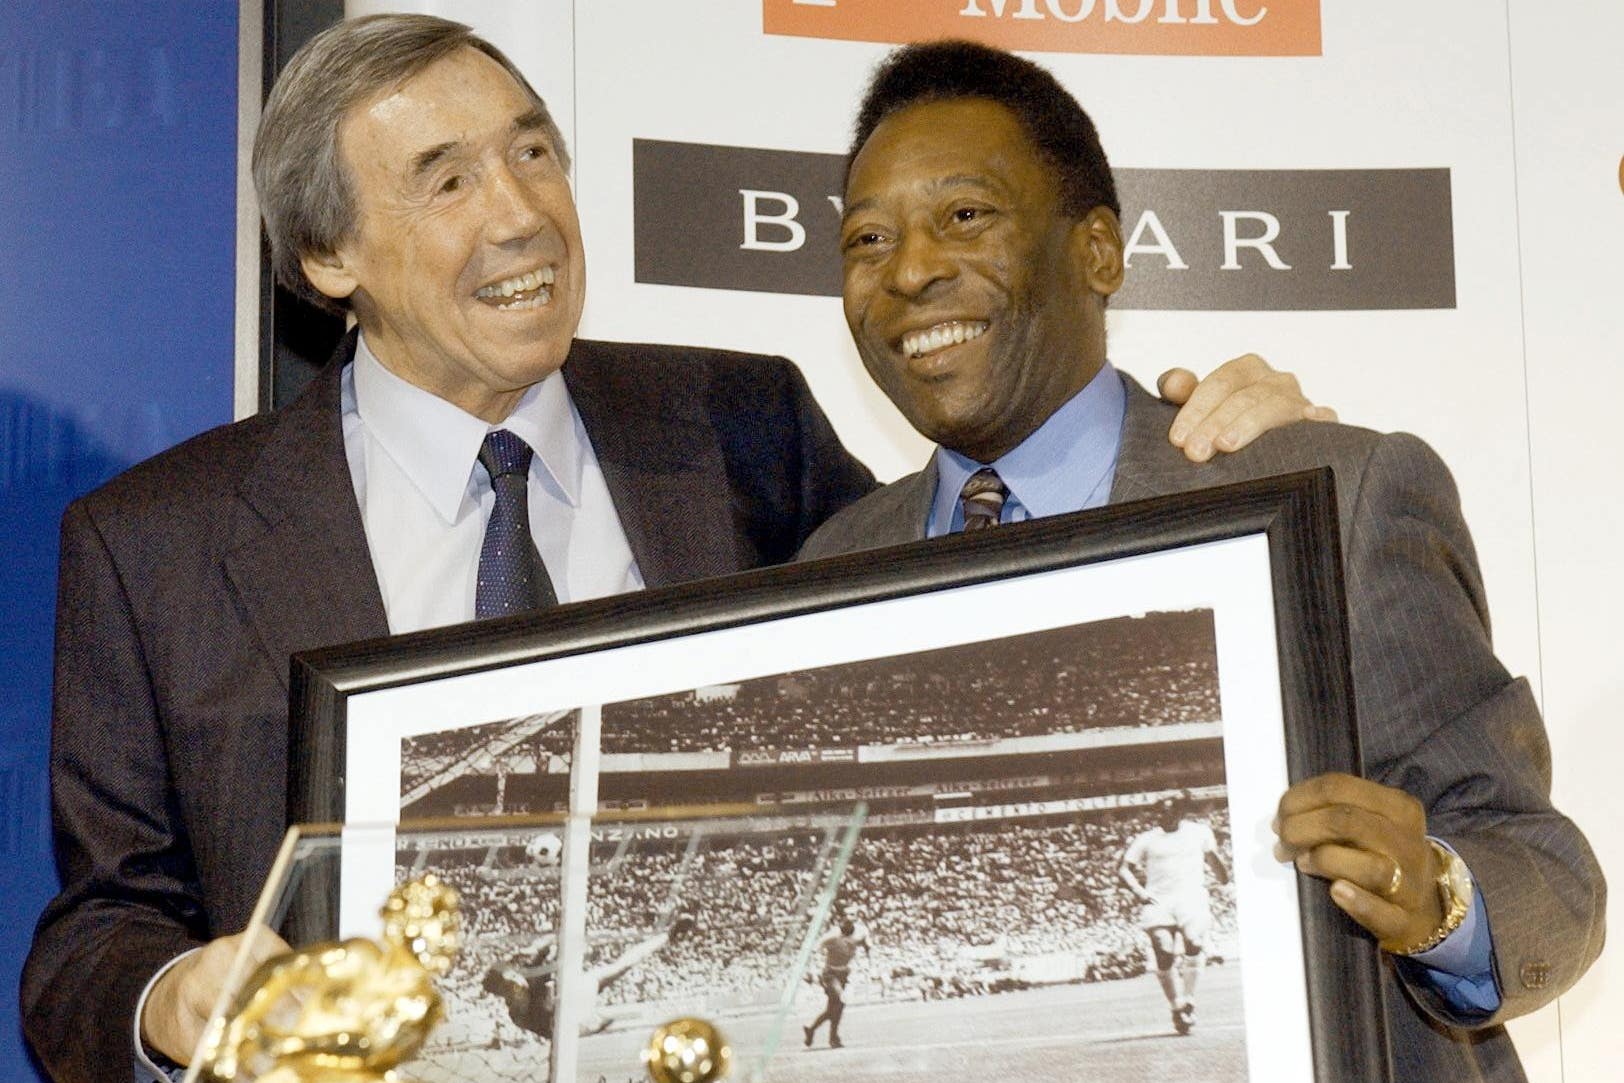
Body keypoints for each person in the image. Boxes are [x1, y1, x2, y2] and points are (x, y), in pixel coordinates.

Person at [18, 16, 1328, 1083]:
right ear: (326, 251)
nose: (525, 212)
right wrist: (172, 996)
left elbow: (1002, 557)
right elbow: (92, 933)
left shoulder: (743, 424)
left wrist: (1195, 436)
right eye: (450, 179)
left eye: (535, 154)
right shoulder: (156, 545)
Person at [798, 39, 1605, 1082]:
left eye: (965, 216)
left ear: (1096, 251)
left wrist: (1437, 895)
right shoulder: (830, 563)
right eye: (867, 238)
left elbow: (1542, 868)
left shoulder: (1332, 497)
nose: (909, 269)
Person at [1117, 794, 1229, 1036]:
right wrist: (1139, 892)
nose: (1161, 816)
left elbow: (1213, 859)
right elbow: (1124, 869)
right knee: (1164, 951)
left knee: (1195, 942)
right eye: (1158, 812)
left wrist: (1223, 877)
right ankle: (1176, 1006)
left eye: (1166, 811)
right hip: (1158, 900)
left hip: (1191, 898)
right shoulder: (1146, 839)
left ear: (1180, 812)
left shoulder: (1199, 832)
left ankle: (1188, 1000)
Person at [803, 917, 869, 1049]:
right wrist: (810, 970)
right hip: (830, 975)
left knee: (833, 1010)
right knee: (841, 1000)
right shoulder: (833, 939)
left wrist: (868, 948)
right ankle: (833, 1037)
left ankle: (813, 1030)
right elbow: (815, 948)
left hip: (843, 975)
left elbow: (865, 940)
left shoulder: (854, 938)